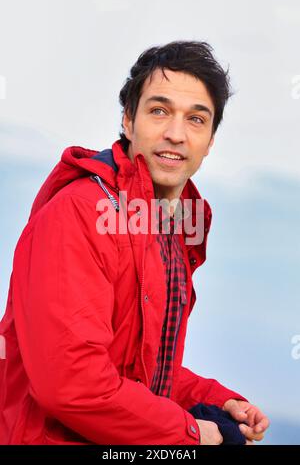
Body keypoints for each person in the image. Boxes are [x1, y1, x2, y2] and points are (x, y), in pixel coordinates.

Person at [0, 40, 269, 445]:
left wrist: (214, 400)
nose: (176, 134)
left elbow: (135, 368)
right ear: (128, 121)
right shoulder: (79, 214)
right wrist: (193, 434)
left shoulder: (168, 230)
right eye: (159, 111)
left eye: (196, 119)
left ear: (210, 140)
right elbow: (72, 383)